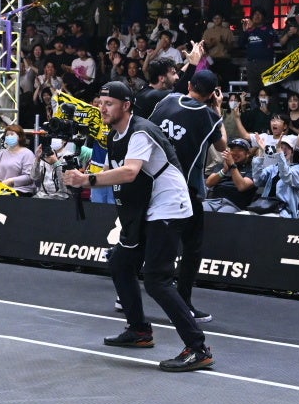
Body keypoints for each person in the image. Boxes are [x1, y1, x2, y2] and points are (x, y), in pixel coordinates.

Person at [64, 81, 212, 373]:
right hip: (147, 206)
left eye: (109, 103)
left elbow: (130, 172)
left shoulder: (141, 130)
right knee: (121, 262)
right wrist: (82, 175)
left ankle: (198, 349)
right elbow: (116, 172)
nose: (102, 108)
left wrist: (87, 181)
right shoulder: (114, 135)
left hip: (169, 204)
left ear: (126, 105)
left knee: (157, 279)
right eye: (100, 102)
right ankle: (139, 330)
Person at [150, 67, 226, 321]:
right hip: (184, 190)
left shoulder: (168, 100)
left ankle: (124, 294)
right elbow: (222, 145)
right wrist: (218, 110)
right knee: (192, 247)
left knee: (143, 239)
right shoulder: (208, 116)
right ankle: (183, 303)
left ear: (190, 84)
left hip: (149, 181)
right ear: (213, 94)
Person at [0, 123, 37, 194]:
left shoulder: (27, 154)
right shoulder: (1, 154)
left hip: (21, 191)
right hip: (1, 190)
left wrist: (11, 181)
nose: (9, 137)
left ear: (20, 137)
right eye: (7, 135)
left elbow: (29, 177)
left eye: (12, 134)